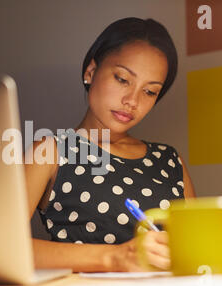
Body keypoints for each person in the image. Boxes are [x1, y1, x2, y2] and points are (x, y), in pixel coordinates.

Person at [24, 17, 196, 272]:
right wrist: (115, 257)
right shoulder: (51, 151)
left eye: (149, 91)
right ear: (91, 71)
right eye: (122, 79)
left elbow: (197, 247)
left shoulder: (170, 160)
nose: (132, 101)